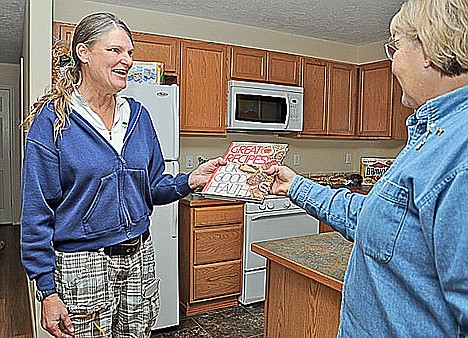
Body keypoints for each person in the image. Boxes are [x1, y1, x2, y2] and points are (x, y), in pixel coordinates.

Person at [266, 0, 468, 336]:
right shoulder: (431, 137)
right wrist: (295, 185)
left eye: (395, 47)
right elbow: (376, 220)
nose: (392, 63)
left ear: (428, 51)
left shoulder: (458, 158)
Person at [21, 12, 224, 338]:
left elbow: (154, 188)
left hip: (140, 257)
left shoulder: (139, 116)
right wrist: (47, 289)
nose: (127, 60)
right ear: (83, 53)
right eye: (115, 51)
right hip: (82, 266)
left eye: (130, 52)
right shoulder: (53, 121)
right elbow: (36, 210)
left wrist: (190, 181)